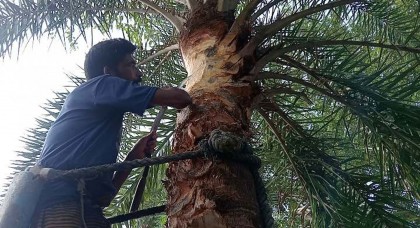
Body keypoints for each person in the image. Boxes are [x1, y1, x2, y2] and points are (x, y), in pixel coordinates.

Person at [31, 38, 192, 227]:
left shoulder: (99, 125)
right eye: (130, 65)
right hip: (59, 205)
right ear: (108, 72)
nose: (138, 74)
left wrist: (133, 157)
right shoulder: (100, 85)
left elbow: (105, 199)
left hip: (87, 210)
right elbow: (181, 98)